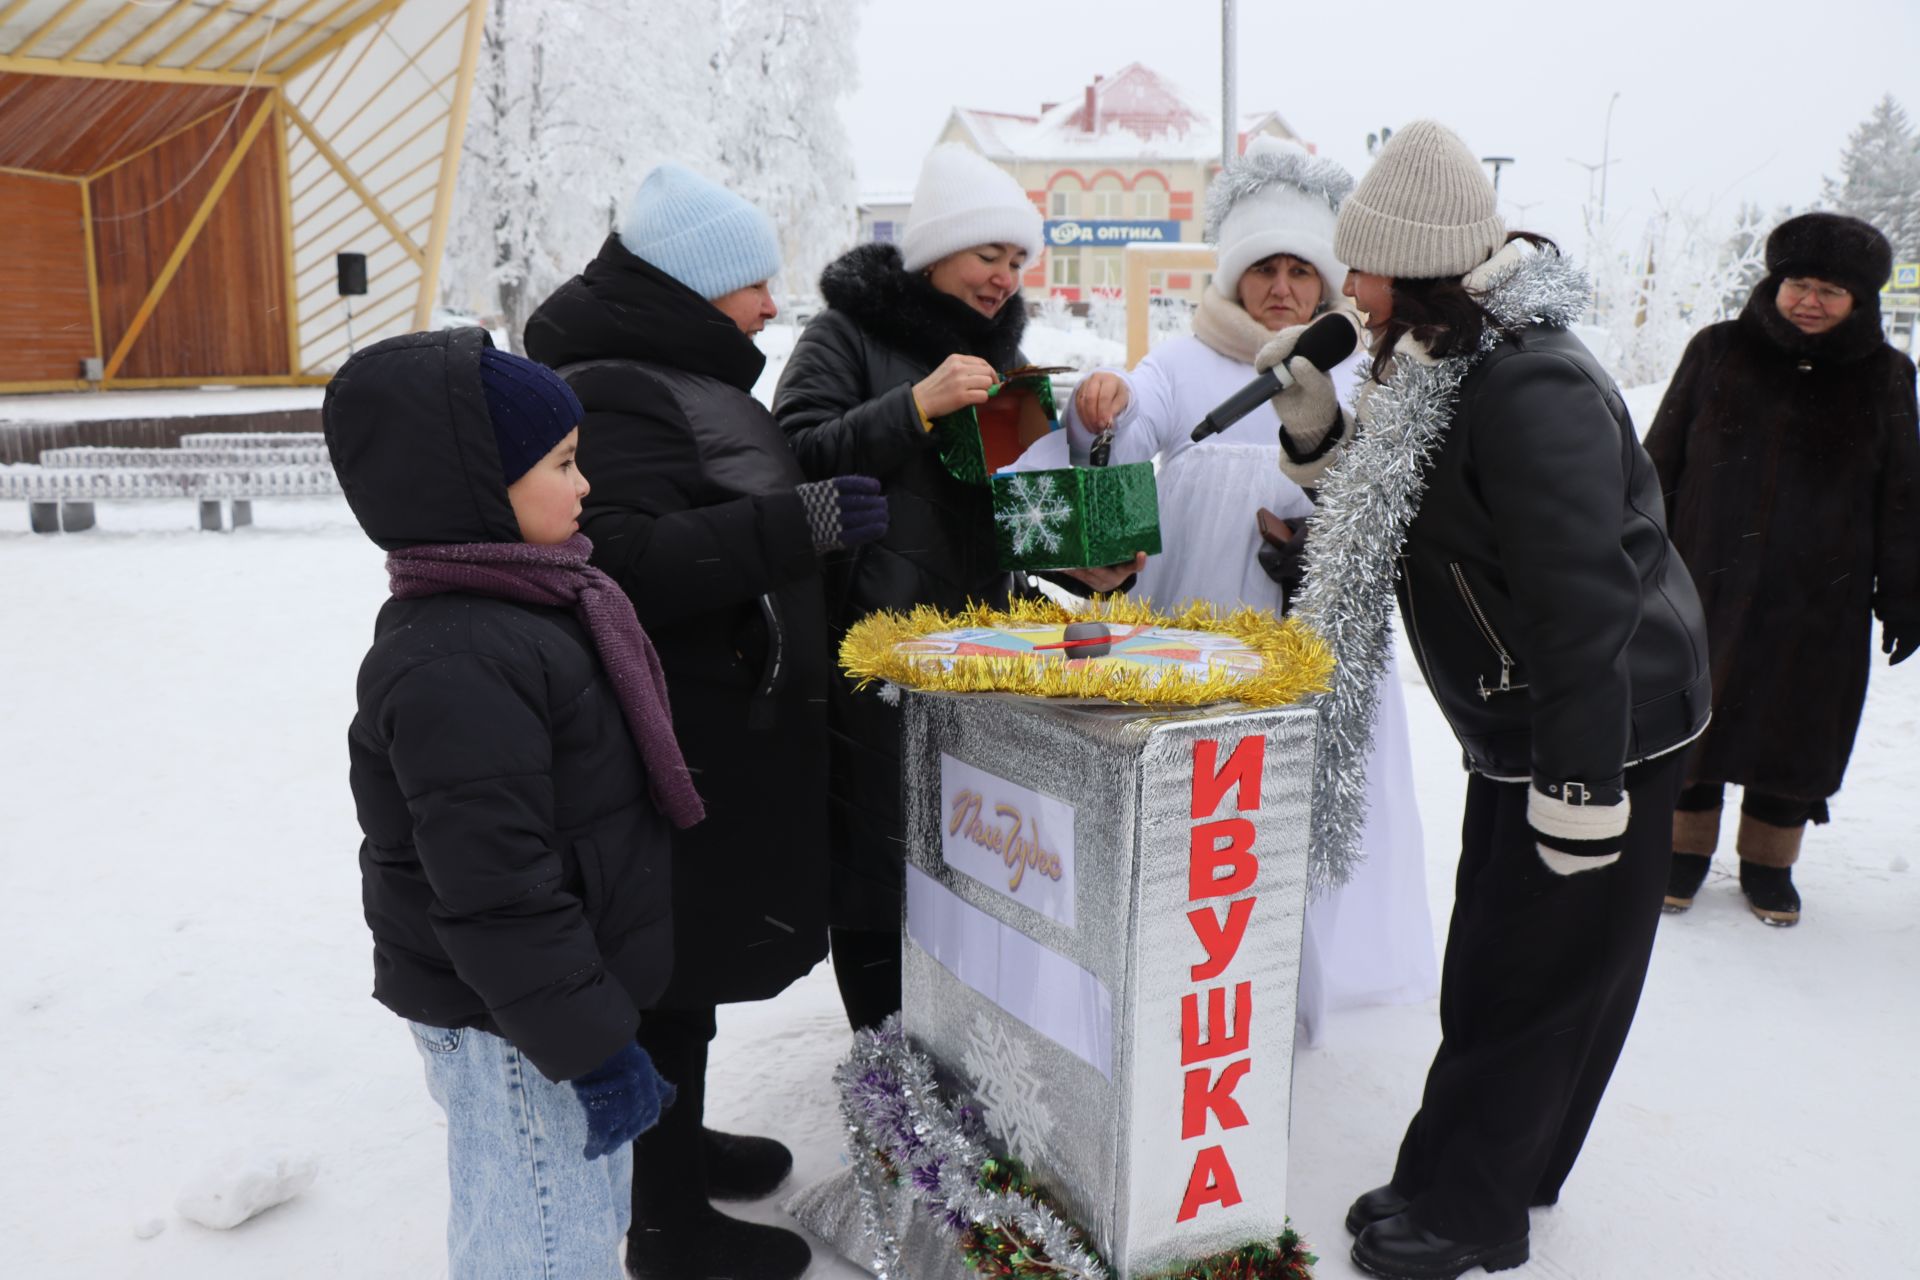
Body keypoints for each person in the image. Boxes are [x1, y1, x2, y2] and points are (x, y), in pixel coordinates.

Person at [1262, 122, 1710, 1279]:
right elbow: (1420, 514)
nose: (1345, 290)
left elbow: (1579, 604)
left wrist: (1580, 780)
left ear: (1415, 267)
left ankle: (1478, 1208)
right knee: (1502, 964)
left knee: (1541, 977)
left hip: (1595, 720)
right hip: (1529, 718)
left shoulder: (1530, 383)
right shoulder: (1443, 365)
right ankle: (1472, 1164)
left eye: (1360, 267)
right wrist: (1319, 431)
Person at [523, 164, 887, 1280]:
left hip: (703, 708)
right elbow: (623, 558)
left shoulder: (655, 370)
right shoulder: (624, 384)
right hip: (674, 724)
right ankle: (668, 1218)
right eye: (751, 284)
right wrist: (801, 522)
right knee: (668, 963)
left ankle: (674, 1145)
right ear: (690, 286)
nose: (771, 305)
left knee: (689, 954)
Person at [1027, 138, 1436, 1041]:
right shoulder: (1184, 360)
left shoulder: (1360, 370)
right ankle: (1179, 977)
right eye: (1263, 269)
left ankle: (1282, 994)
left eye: (1300, 269)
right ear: (1234, 277)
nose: (1281, 288)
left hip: (1313, 620)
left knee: (1294, 806)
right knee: (1194, 798)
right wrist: (1103, 402)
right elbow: (1134, 416)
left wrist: (1325, 547)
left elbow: (1390, 490)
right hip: (1193, 612)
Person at [325, 329, 695, 1279]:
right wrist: (591, 1046)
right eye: (563, 464)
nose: (583, 487)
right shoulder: (461, 659)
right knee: (539, 1248)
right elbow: (496, 887)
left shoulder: (530, 606)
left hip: (543, 1005)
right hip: (513, 1025)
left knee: (568, 1226)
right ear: (474, 484)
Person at [772, 143, 1140, 1030]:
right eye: (989, 256)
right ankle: (888, 1075)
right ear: (935, 251)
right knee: (873, 870)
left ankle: (960, 1048)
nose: (1006, 279)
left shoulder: (1002, 364)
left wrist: (1083, 567)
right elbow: (791, 459)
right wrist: (913, 407)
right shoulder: (844, 336)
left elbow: (997, 511)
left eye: (1018, 262)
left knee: (967, 856)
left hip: (981, 655)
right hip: (869, 657)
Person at [1644, 211, 1919, 926]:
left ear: (1860, 301)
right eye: (1799, 282)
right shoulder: (1717, 352)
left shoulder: (1886, 376)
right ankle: (1682, 852)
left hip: (1820, 597)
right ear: (1775, 282)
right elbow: (1656, 465)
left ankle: (1770, 865)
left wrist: (1907, 591)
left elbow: (1902, 494)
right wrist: (1632, 554)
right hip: (1704, 580)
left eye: (1831, 290)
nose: (1810, 301)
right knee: (1692, 720)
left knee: (1796, 730)